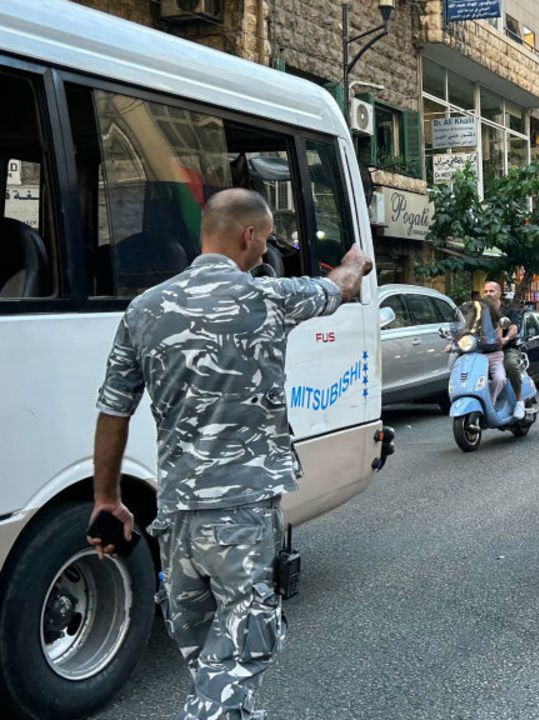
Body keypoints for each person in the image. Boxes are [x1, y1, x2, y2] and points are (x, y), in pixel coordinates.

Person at [90, 188, 371, 720]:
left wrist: (107, 498)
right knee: (243, 646)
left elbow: (113, 411)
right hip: (241, 513)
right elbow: (342, 286)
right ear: (248, 236)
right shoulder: (270, 298)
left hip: (175, 519)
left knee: (205, 653)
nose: (265, 252)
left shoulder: (144, 309)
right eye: (265, 240)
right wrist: (355, 260)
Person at [462, 288, 510, 411]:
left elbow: (499, 339)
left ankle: (490, 404)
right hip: (475, 357)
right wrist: (453, 344)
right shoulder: (471, 325)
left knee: (500, 378)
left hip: (494, 356)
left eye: (484, 310)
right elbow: (463, 335)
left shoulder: (497, 323)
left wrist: (499, 339)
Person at [485, 281, 526, 418]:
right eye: (486, 291)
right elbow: (469, 326)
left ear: (499, 293)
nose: (488, 294)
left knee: (510, 364)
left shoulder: (508, 310)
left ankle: (519, 401)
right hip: (486, 351)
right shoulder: (481, 310)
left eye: (492, 291)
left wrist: (506, 338)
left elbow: (514, 328)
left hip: (507, 349)